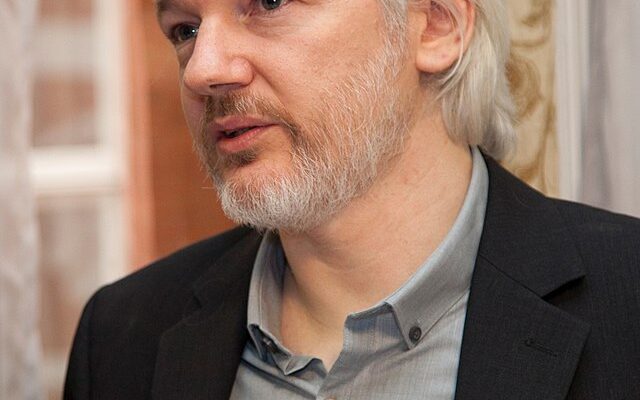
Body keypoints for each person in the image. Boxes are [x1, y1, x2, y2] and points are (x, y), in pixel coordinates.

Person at [64, 0, 640, 399]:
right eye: (184, 29)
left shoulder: (627, 303)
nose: (202, 70)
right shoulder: (121, 339)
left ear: (435, 25)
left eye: (269, 3)